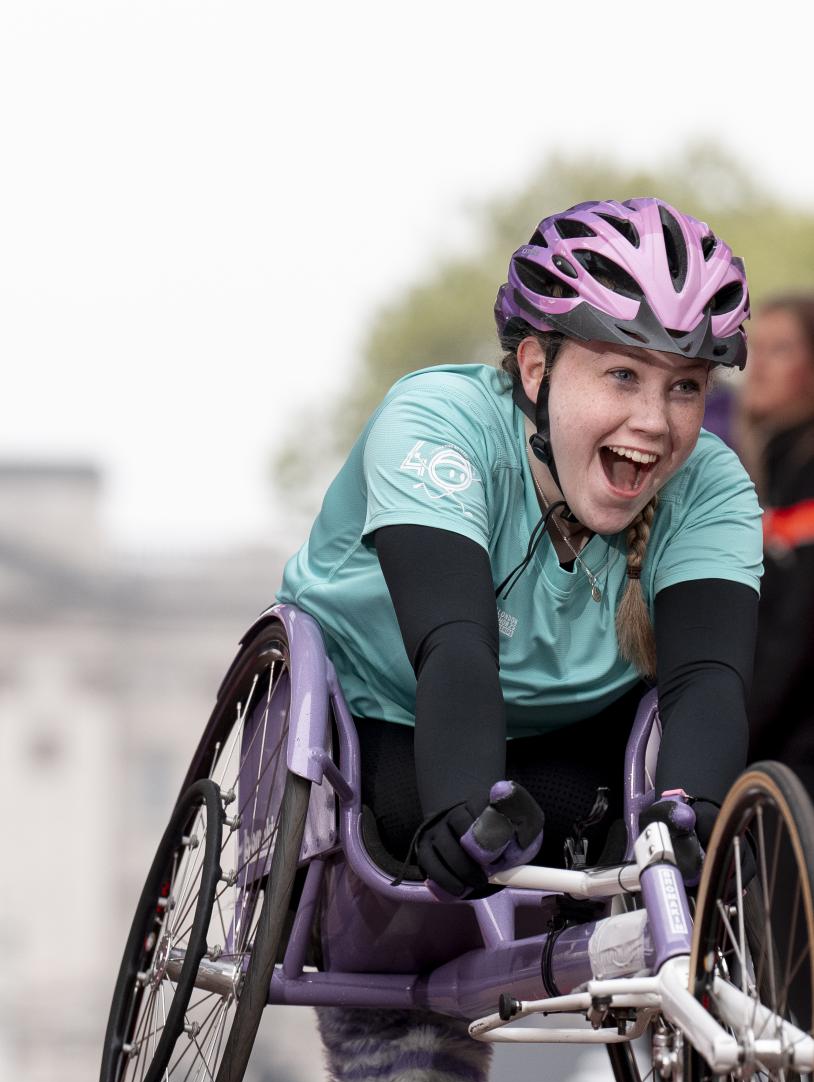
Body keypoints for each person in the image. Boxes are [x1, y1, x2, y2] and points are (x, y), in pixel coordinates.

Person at [278, 198, 761, 897]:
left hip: (566, 728)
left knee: (626, 835)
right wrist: (463, 804)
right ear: (536, 368)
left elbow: (705, 680)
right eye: (623, 374)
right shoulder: (438, 422)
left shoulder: (711, 484)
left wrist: (693, 817)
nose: (655, 423)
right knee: (423, 828)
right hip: (386, 705)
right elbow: (455, 642)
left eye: (684, 387)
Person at [742, 295, 814, 798]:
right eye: (753, 348)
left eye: (781, 349)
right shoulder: (774, 468)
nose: (756, 366)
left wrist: (726, 741)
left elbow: (795, 634)